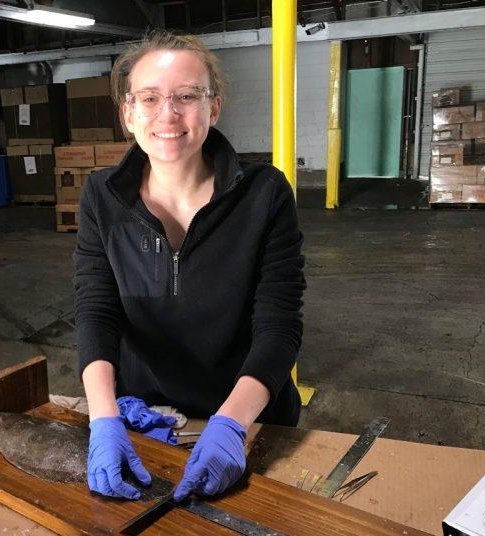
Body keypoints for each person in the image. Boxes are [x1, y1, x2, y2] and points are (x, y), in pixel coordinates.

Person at [73, 30, 306, 502]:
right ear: (128, 113)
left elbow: (279, 323)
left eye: (187, 96)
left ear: (213, 107)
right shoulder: (102, 196)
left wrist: (231, 425)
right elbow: (97, 309)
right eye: (150, 98)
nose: (168, 114)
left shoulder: (265, 194)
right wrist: (104, 418)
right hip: (149, 418)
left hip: (248, 417)